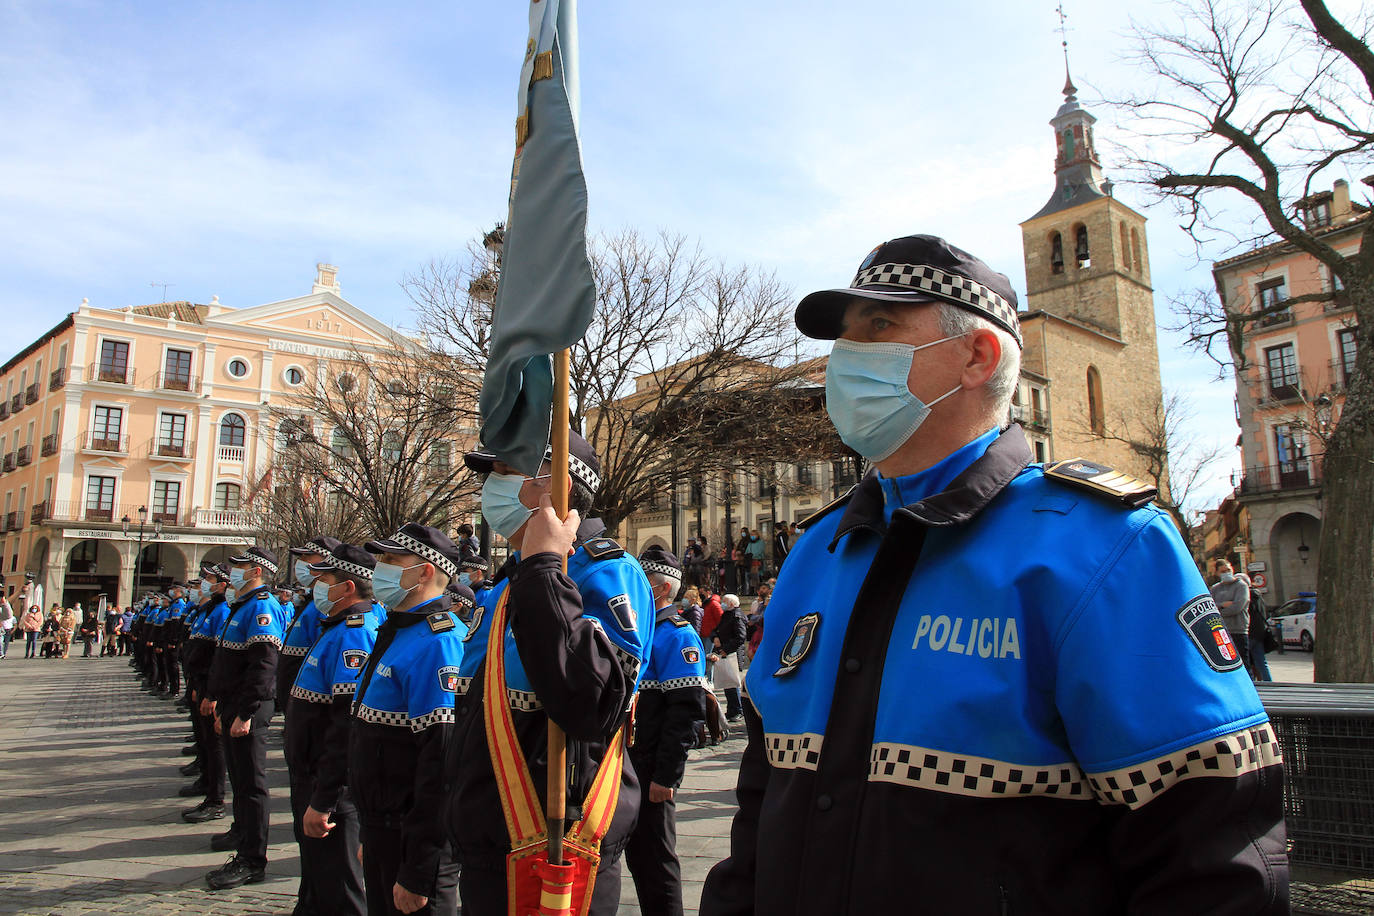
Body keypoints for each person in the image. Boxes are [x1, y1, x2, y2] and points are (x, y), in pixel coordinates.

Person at [700, 234, 1287, 914]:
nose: (844, 361)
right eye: (844, 340)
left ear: (977, 357)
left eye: (879, 328)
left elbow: (1210, 848)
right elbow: (759, 807)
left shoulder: (1105, 547)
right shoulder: (816, 551)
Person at [449, 433, 656, 916]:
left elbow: (594, 702)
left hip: (555, 843)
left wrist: (545, 568)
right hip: (487, 837)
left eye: (503, 474)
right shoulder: (511, 580)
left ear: (552, 488)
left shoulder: (603, 571)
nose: (490, 490)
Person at [351, 523, 470, 916]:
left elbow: (441, 764)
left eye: (390, 560)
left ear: (424, 572)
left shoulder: (439, 640)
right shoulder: (399, 628)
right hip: (385, 825)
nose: (379, 567)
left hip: (413, 833)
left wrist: (420, 867)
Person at [289, 541, 387, 916]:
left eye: (323, 579)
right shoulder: (336, 628)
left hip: (329, 786)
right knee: (318, 885)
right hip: (311, 776)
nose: (316, 585)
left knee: (341, 891)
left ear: (346, 588)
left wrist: (325, 797)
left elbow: (344, 724)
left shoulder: (355, 633)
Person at [626, 547, 708, 916]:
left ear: (659, 591)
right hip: (628, 759)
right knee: (635, 858)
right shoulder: (642, 630)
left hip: (651, 765)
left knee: (655, 860)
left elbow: (687, 711)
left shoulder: (676, 635)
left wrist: (666, 775)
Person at [204, 546, 288, 890]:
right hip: (233, 704)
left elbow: (264, 665)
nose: (234, 572)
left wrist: (245, 712)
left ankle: (253, 859)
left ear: (256, 572)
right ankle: (242, 835)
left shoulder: (262, 607)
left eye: (241, 567)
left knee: (252, 784)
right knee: (239, 779)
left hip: (248, 708)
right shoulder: (243, 606)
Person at [182, 566, 233, 824]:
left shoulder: (223, 610)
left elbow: (217, 656)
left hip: (211, 687)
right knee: (205, 739)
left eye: (210, 579)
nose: (205, 583)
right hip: (201, 683)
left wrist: (212, 693)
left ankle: (216, 798)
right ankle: (207, 782)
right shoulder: (210, 608)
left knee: (215, 746)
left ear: (223, 583)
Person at [707, 594, 746, 721]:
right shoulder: (726, 615)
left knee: (733, 682)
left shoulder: (736, 616)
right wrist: (715, 638)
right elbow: (715, 630)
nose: (722, 604)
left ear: (730, 604)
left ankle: (737, 709)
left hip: (732, 653)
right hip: (723, 652)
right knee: (727, 683)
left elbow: (740, 637)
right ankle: (731, 709)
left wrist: (726, 649)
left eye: (724, 602)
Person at [1210, 559, 1252, 675]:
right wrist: (1223, 604)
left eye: (1228, 570)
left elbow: (1238, 606)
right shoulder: (1215, 589)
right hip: (1221, 630)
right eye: (1223, 571)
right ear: (1217, 573)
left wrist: (1219, 611)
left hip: (1238, 629)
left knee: (1243, 663)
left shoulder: (1241, 586)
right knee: (1224, 663)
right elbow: (1211, 607)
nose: (1226, 573)